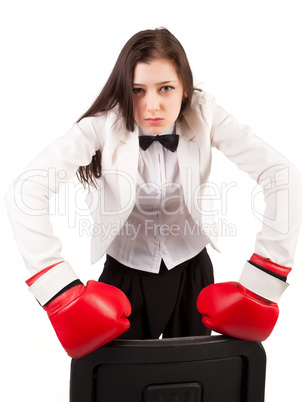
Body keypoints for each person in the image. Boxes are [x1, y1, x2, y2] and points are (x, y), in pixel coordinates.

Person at [6, 27, 302, 359]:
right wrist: (60, 292)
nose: (152, 106)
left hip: (194, 272)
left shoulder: (206, 114)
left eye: (165, 88)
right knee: (120, 387)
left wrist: (264, 284)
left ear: (185, 89)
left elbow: (282, 175)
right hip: (124, 278)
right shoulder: (100, 126)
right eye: (137, 90)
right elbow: (26, 189)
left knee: (195, 383)